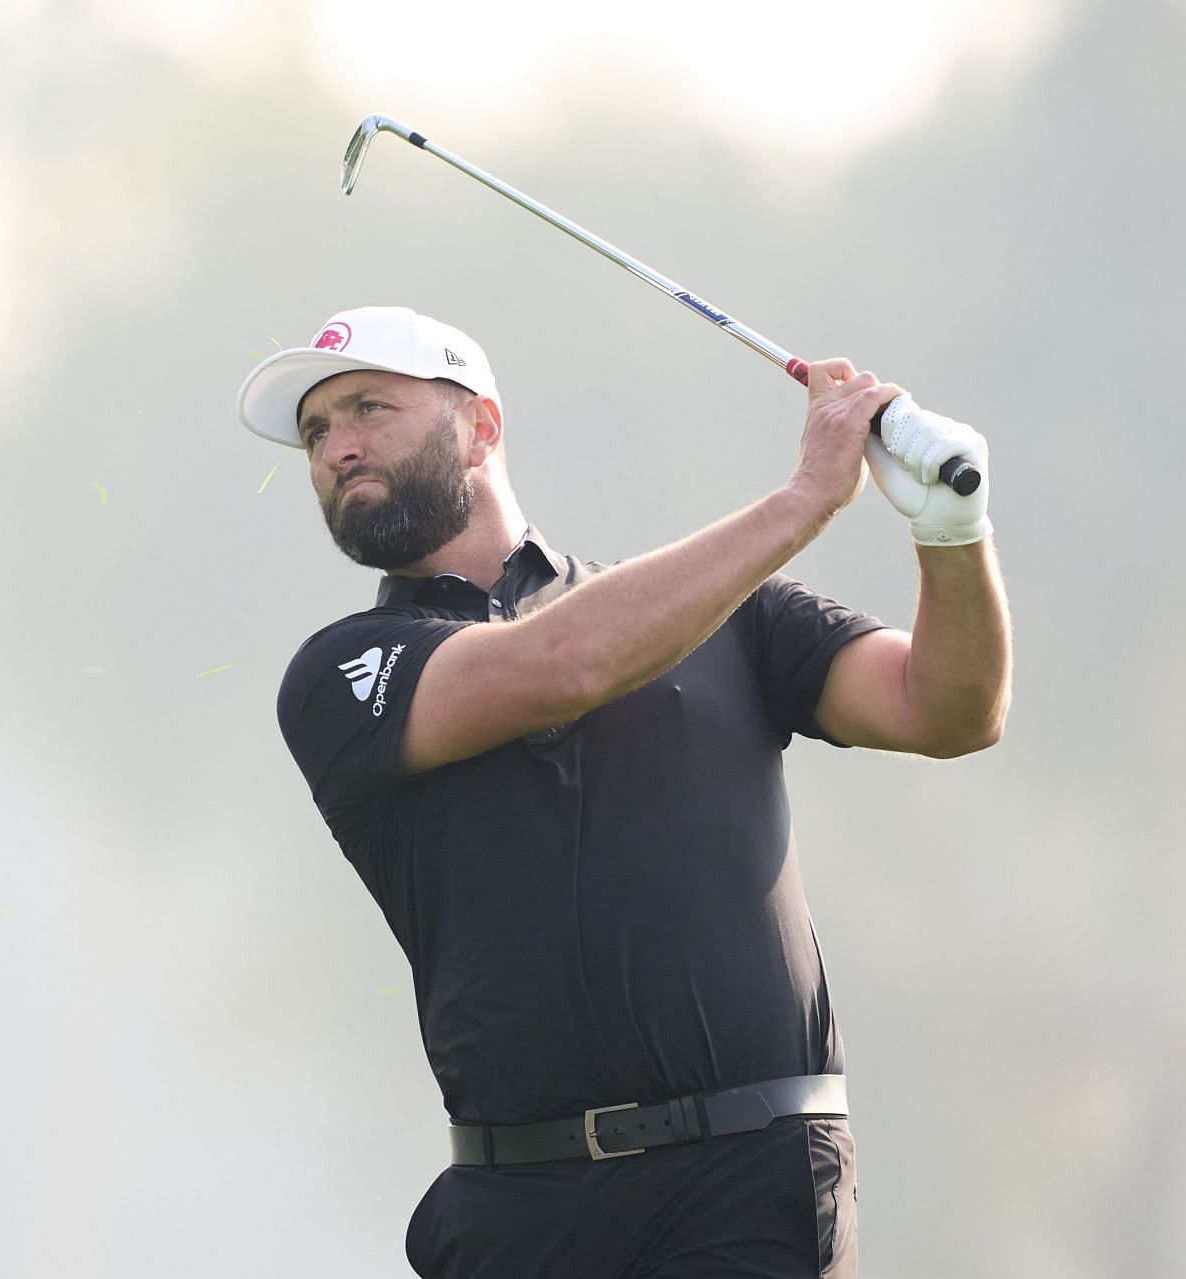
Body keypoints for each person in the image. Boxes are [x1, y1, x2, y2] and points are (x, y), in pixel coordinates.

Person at [236, 306, 1011, 1278]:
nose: (337, 446)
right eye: (315, 433)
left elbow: (948, 710)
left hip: (751, 1187)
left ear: (480, 426)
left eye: (367, 407)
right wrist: (805, 499)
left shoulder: (729, 612)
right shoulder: (343, 673)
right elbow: (563, 663)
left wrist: (953, 529)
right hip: (520, 1214)